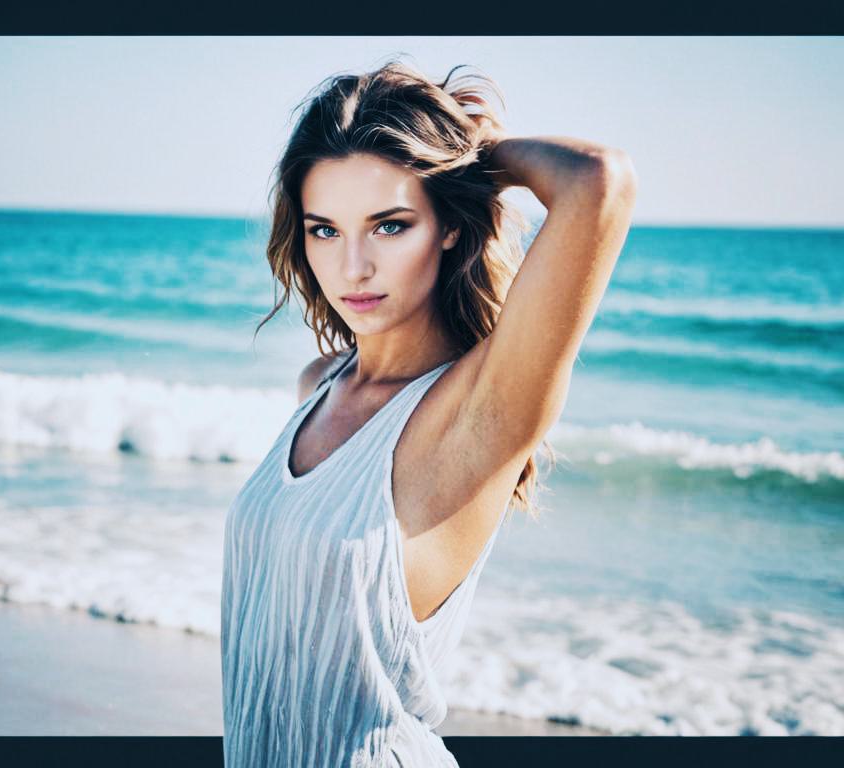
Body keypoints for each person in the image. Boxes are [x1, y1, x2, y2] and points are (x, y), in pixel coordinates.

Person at [220, 58, 637, 766]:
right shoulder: (319, 385)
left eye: (389, 226)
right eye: (326, 230)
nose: (353, 266)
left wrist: (475, 157)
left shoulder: (478, 413)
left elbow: (599, 182)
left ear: (447, 226)